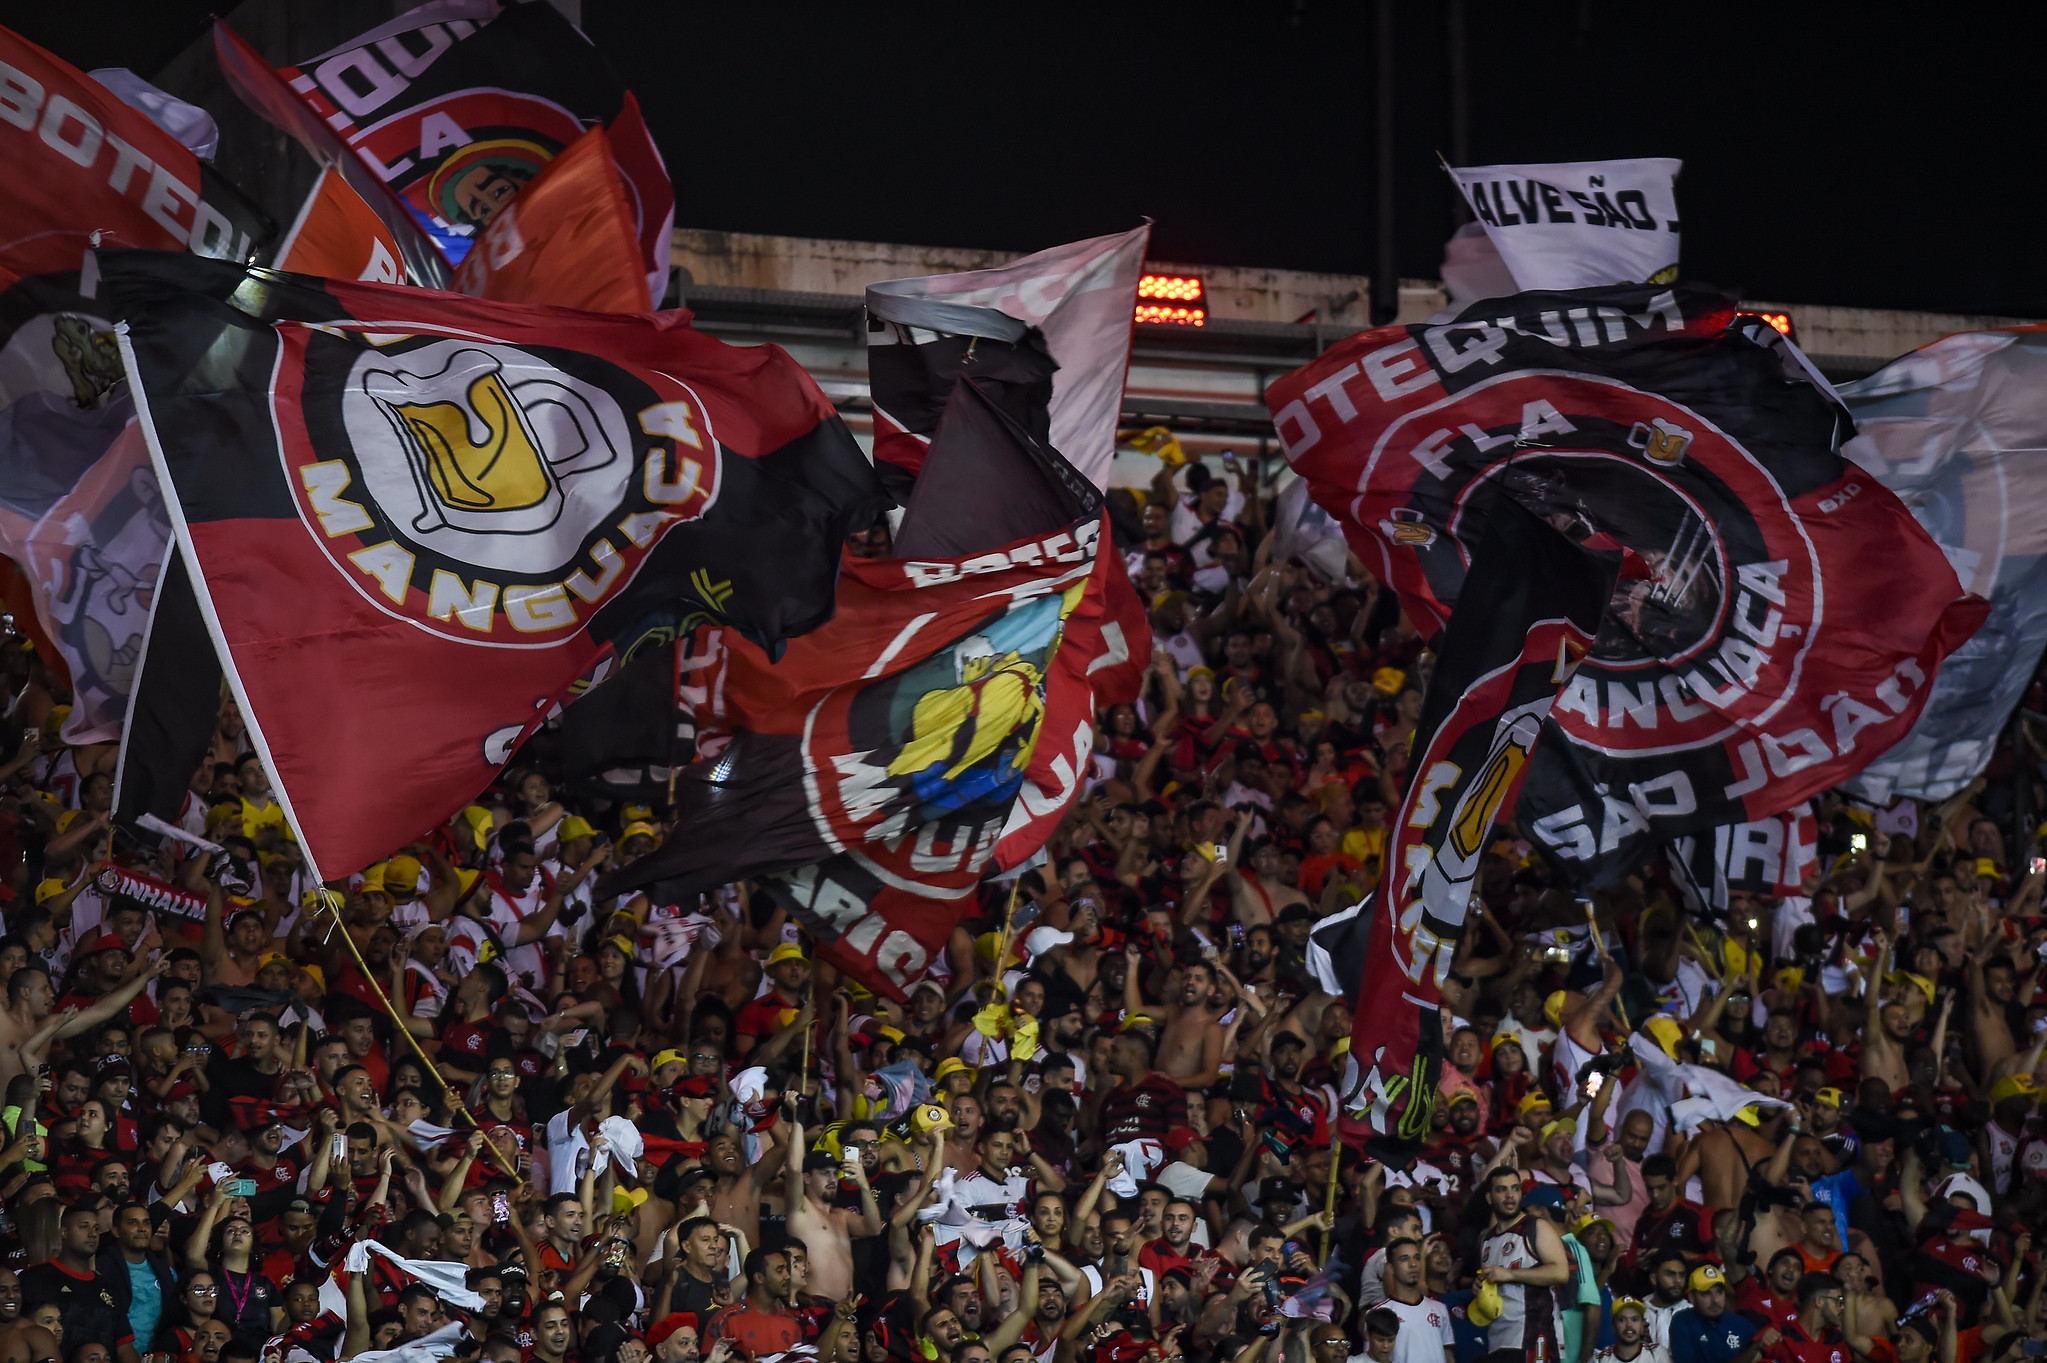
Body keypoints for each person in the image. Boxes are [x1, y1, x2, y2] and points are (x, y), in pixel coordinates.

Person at [1476, 1166, 1571, 1363]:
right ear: (1489, 1198)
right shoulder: (1487, 1239)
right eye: (1502, 1189)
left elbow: (1560, 1272)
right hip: (1499, 1341)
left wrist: (1510, 1275)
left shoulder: (1536, 1226)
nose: (1510, 1195)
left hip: (1534, 1339)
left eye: (1515, 1188)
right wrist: (1480, 1285)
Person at [1665, 1266, 1760, 1363]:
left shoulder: (1740, 1323)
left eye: (1719, 1292)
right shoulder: (1683, 1322)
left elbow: (1760, 1354)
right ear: (1692, 1297)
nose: (1715, 1300)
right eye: (1706, 1293)